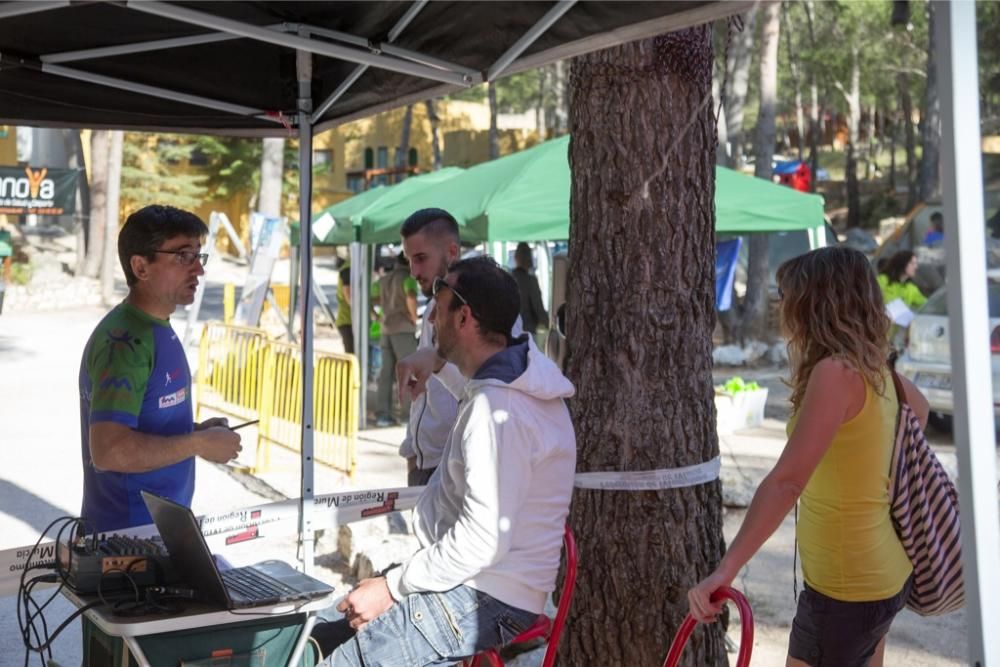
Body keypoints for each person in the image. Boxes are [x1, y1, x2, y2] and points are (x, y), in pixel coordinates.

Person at [315, 256, 576, 666]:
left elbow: (480, 542)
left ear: (464, 317)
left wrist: (392, 588)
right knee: (319, 633)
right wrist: (436, 362)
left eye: (439, 305)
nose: (431, 317)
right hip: (483, 583)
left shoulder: (497, 412)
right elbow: (478, 388)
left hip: (485, 592)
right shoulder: (516, 377)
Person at [687, 247, 930, 667]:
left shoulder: (836, 372)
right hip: (882, 574)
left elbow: (786, 483)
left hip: (846, 585)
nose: (784, 311)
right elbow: (920, 411)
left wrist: (725, 570)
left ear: (816, 304)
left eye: (789, 298)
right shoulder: (876, 369)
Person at [78, 205, 242, 533]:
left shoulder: (155, 327)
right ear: (141, 266)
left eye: (199, 257)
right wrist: (198, 444)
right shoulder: (125, 343)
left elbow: (145, 420)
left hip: (157, 534)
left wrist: (195, 430)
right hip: (126, 542)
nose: (198, 270)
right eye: (183, 257)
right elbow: (109, 451)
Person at [395, 208, 522, 486]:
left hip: (460, 466)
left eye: (421, 258)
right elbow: (425, 395)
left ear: (451, 252)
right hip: (428, 466)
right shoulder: (433, 307)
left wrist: (438, 363)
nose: (414, 271)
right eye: (409, 260)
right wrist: (412, 453)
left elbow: (495, 389)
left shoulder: (492, 306)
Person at [373, 252, 419, 426]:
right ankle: (407, 415)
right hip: (403, 330)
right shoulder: (408, 279)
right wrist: (414, 318)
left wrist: (376, 316)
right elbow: (411, 297)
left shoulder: (383, 280)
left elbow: (372, 299)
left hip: (386, 329)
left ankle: (382, 414)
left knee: (385, 374)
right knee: (408, 373)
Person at [511, 242, 548, 346]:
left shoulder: (507, 279)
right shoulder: (530, 281)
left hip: (509, 336)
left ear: (515, 257)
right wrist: (551, 324)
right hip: (528, 335)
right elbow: (538, 309)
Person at [336, 258, 354, 354]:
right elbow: (349, 298)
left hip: (351, 320)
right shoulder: (348, 269)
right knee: (351, 355)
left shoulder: (351, 266)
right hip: (347, 321)